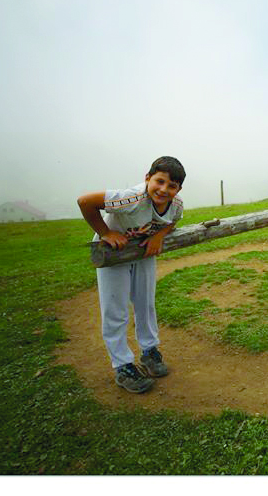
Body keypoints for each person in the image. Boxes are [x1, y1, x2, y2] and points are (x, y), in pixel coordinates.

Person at [77, 156, 185, 393]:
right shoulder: (130, 199)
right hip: (115, 253)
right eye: (159, 181)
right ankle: (123, 366)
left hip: (143, 251)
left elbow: (173, 221)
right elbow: (85, 201)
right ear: (147, 178)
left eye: (172, 186)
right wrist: (105, 232)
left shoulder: (176, 204)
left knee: (145, 303)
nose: (164, 189)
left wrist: (158, 236)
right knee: (116, 309)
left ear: (178, 189)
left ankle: (149, 352)